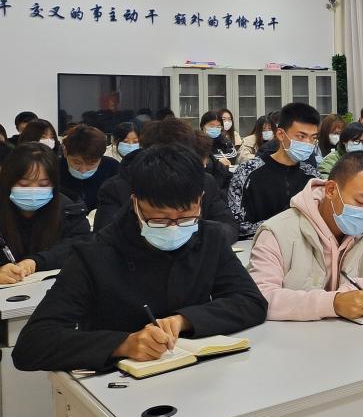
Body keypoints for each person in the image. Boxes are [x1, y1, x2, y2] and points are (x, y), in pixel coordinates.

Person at [12, 144, 268, 372]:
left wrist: (184, 320)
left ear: (200, 200)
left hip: (198, 375)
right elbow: (32, 344)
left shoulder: (208, 237)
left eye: (185, 218)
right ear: (135, 203)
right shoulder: (95, 253)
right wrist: (123, 344)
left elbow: (251, 302)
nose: (174, 228)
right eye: (159, 219)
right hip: (118, 387)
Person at [249, 152, 363, 321]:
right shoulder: (276, 232)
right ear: (331, 190)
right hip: (296, 335)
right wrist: (333, 303)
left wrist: (350, 291)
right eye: (360, 201)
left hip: (355, 333)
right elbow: (261, 296)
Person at [94, 118, 238, 238]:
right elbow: (106, 239)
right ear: (146, 153)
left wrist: (190, 235)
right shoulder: (117, 188)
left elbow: (228, 226)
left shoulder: (204, 182)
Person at [0, 143, 89, 285]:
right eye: (23, 184)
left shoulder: (70, 210)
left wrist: (36, 261)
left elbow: (79, 244)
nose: (33, 190)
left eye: (43, 185)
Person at [228, 102, 321, 238]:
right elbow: (234, 223)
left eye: (313, 138)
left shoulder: (313, 177)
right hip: (255, 244)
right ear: (281, 134)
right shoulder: (247, 172)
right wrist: (281, 225)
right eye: (301, 136)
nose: (308, 143)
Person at [59, 125, 120, 213]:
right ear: (65, 152)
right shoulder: (54, 168)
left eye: (91, 164)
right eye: (76, 163)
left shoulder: (113, 167)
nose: (83, 170)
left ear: (101, 157)